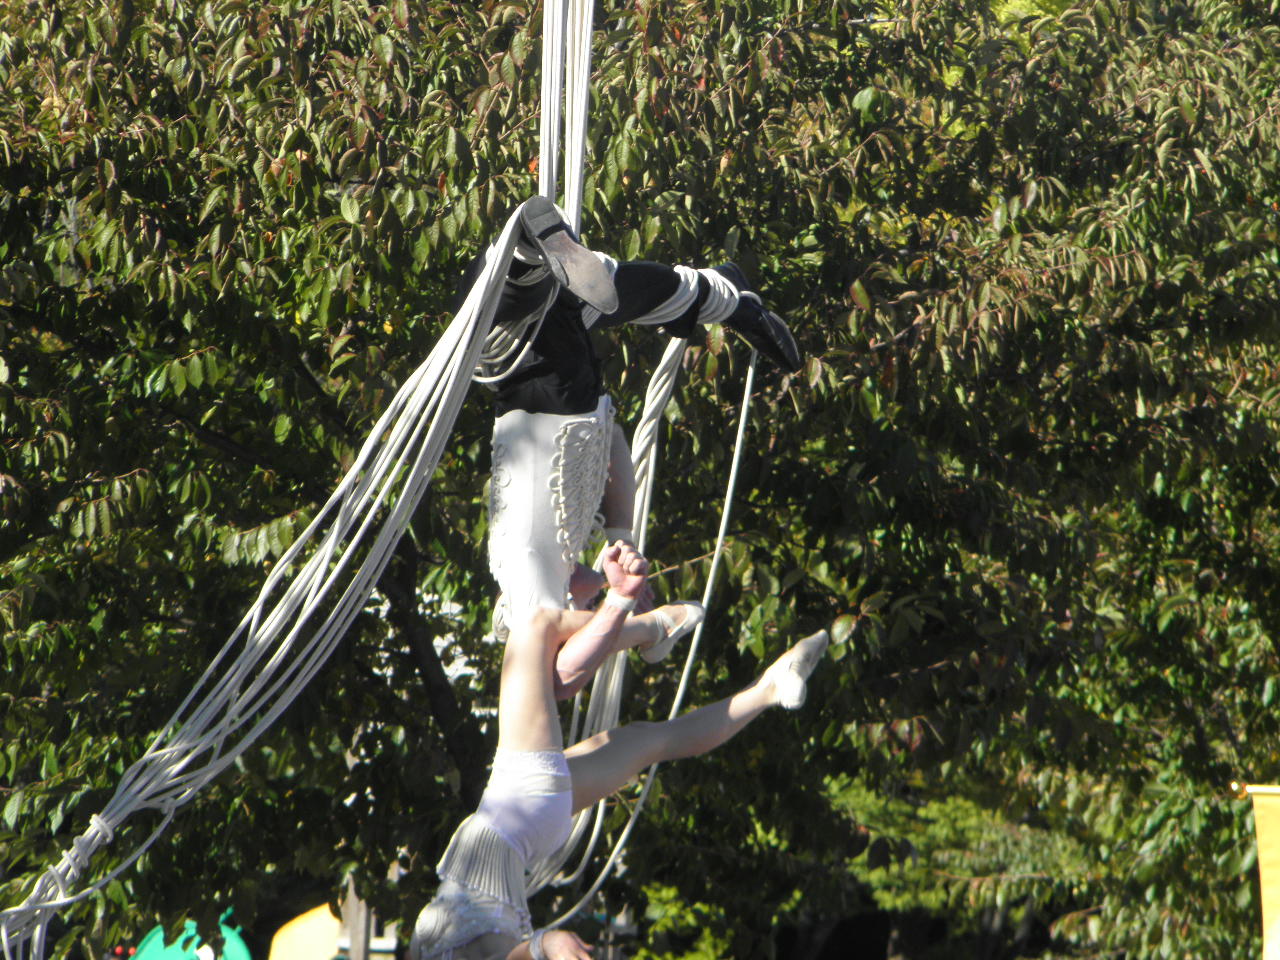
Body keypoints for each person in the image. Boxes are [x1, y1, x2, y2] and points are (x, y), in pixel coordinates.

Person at [410, 541, 829, 960]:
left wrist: (541, 946)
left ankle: (769, 689)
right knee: (534, 629)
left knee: (655, 740)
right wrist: (544, 945)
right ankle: (650, 624)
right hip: (518, 802)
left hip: (535, 819)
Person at [476, 197, 804, 634]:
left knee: (516, 309)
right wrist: (620, 537)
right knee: (579, 301)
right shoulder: (563, 552)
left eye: (585, 604)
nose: (590, 599)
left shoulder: (531, 598)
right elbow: (610, 443)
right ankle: (724, 299)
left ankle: (525, 256)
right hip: (579, 409)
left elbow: (559, 647)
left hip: (543, 408)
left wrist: (648, 622)